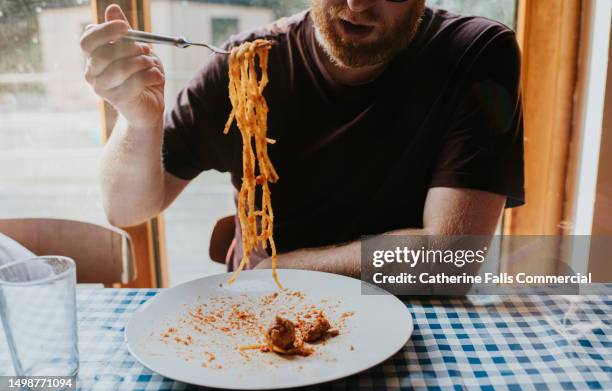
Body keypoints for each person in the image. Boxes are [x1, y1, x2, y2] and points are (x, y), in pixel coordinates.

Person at [80, 0, 524, 278]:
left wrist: (277, 267)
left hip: (416, 321)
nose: (356, 4)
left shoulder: (476, 54)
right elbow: (126, 207)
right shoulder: (245, 65)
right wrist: (138, 121)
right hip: (269, 317)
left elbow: (453, 259)